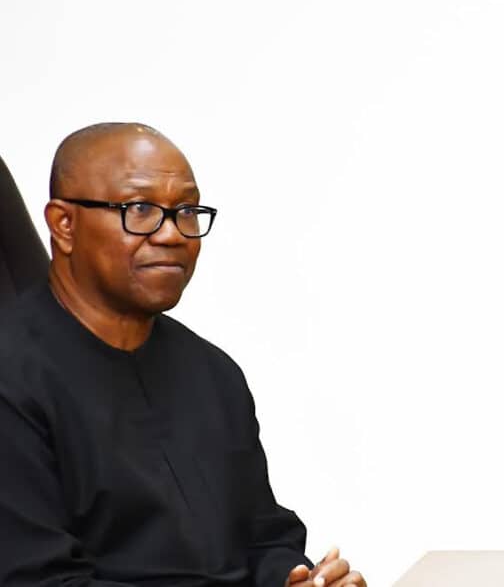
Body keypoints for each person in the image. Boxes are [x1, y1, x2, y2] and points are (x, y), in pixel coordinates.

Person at [0, 123, 366, 587]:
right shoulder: (13, 378)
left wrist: (294, 579)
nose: (173, 234)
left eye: (187, 211)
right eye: (140, 209)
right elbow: (37, 580)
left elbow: (263, 537)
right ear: (64, 224)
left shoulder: (214, 373)